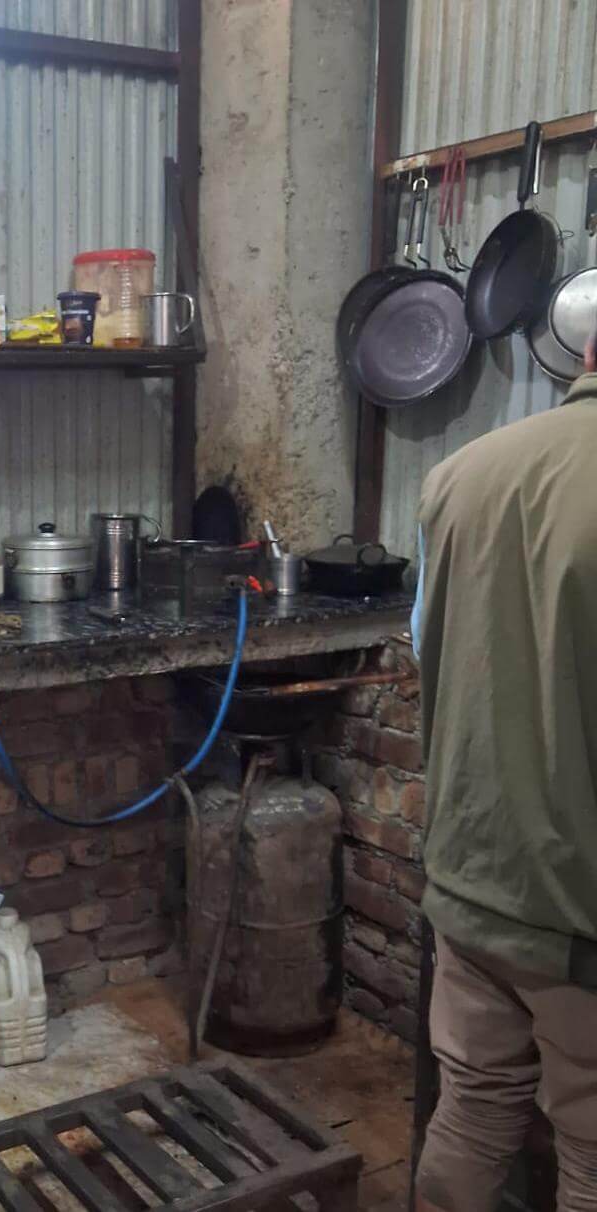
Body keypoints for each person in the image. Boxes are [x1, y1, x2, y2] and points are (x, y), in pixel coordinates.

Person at [411, 315, 597, 1212]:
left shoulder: (460, 474)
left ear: (587, 353)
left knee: (474, 1109)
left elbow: (429, 649)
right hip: (577, 910)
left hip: (469, 876)